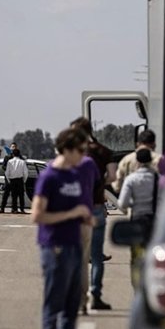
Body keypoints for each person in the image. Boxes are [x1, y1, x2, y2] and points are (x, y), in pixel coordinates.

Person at [31, 127, 94, 329]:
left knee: (71, 303)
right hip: (54, 246)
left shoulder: (74, 175)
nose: (83, 155)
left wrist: (85, 217)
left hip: (74, 243)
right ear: (66, 149)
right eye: (79, 150)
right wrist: (72, 213)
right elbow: (36, 215)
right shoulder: (50, 177)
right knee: (54, 303)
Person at [70, 117, 115, 310]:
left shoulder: (73, 152)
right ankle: (95, 295)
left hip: (77, 208)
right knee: (96, 255)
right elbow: (112, 176)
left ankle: (78, 296)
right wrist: (98, 184)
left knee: (78, 255)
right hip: (96, 206)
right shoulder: (103, 151)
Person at [118, 148, 160, 288]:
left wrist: (134, 203)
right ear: (150, 160)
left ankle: (138, 287)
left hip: (137, 220)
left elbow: (122, 203)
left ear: (137, 161)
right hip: (154, 221)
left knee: (136, 257)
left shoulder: (131, 179)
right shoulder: (158, 179)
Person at [76, 148, 100, 315]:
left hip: (65, 220)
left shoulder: (56, 166)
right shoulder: (89, 164)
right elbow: (98, 184)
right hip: (85, 215)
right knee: (83, 261)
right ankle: (82, 300)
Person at [114, 129, 162, 193]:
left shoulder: (126, 160)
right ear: (154, 144)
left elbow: (117, 187)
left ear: (137, 144)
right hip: (155, 201)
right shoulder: (160, 159)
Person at [5, 148, 29, 213]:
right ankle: (22, 209)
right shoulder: (22, 162)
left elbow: (7, 172)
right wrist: (24, 180)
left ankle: (14, 209)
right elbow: (26, 172)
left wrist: (9, 180)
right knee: (21, 195)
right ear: (19, 154)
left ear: (13, 154)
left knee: (14, 195)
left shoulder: (9, 162)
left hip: (12, 180)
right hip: (20, 180)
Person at [0, 142, 19, 213]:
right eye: (12, 147)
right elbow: (3, 166)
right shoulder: (7, 157)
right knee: (6, 194)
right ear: (10, 148)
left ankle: (14, 209)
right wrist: (9, 169)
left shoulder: (19, 157)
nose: (13, 148)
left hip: (16, 179)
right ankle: (2, 208)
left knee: (15, 195)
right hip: (8, 178)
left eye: (15, 147)